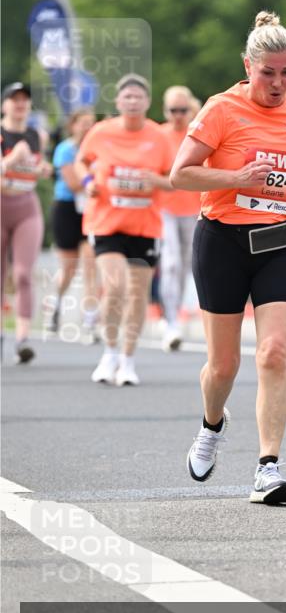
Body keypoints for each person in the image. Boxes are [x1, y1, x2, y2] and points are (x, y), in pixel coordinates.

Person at [170, 11, 286, 505]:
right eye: (268, 73)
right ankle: (212, 425)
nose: (279, 83)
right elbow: (181, 174)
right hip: (222, 241)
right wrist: (237, 180)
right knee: (223, 366)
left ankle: (268, 468)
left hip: (281, 242)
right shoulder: (221, 109)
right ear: (248, 66)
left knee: (274, 353)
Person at [75, 74, 173, 386]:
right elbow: (81, 163)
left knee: (137, 294)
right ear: (117, 102)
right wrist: (89, 183)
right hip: (106, 223)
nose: (132, 101)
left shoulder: (159, 137)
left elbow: (175, 178)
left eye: (138, 97)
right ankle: (110, 352)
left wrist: (154, 181)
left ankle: (128, 360)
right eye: (126, 97)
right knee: (115, 287)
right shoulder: (101, 132)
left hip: (145, 226)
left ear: (147, 103)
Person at [1, 82, 52, 363]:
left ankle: (22, 339)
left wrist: (42, 168)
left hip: (26, 207)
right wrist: (12, 161)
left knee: (22, 274)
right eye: (14, 99)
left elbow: (37, 167)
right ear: (4, 104)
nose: (20, 104)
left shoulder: (37, 135)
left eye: (25, 100)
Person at [47, 107, 99, 339]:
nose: (87, 127)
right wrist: (94, 178)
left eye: (91, 123)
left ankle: (90, 319)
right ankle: (55, 304)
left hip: (91, 209)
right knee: (69, 268)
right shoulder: (66, 150)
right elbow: (74, 184)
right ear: (73, 125)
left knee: (90, 265)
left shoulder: (98, 150)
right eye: (83, 123)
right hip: (67, 209)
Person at [158, 86, 202, 351]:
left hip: (194, 208)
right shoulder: (160, 136)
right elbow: (152, 172)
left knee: (186, 265)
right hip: (165, 209)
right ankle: (171, 320)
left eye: (182, 110)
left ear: (190, 109)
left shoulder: (198, 133)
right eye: (173, 110)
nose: (177, 115)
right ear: (165, 111)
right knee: (171, 262)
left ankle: (174, 311)